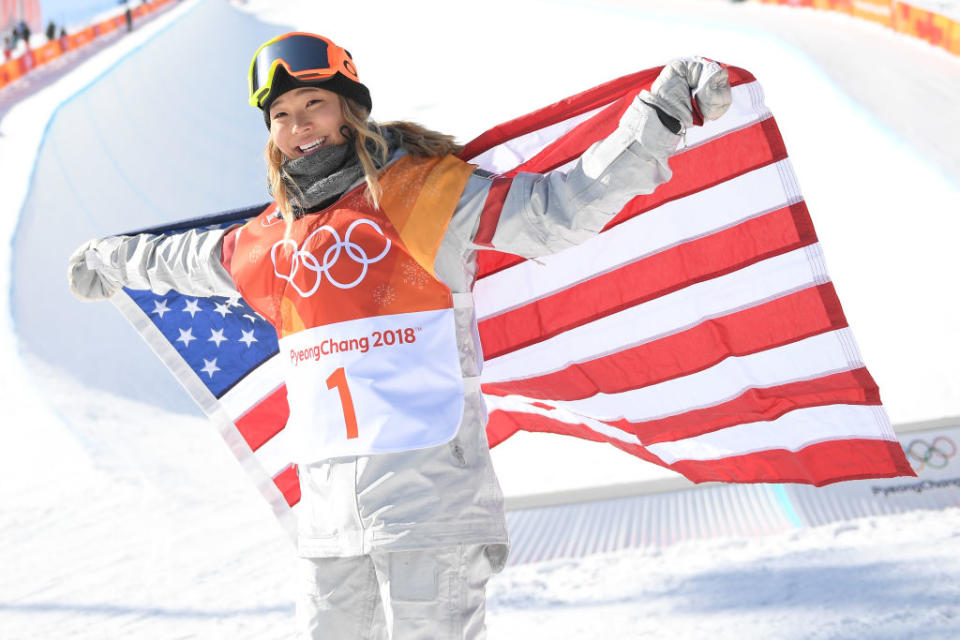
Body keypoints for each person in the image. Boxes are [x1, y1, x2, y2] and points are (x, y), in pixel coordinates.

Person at [67, 32, 731, 639]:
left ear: (350, 111)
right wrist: (110, 258)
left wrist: (659, 120)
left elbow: (556, 212)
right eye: (282, 117)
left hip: (428, 512)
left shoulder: (417, 193)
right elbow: (186, 259)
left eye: (314, 106)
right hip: (330, 529)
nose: (299, 128)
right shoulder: (270, 241)